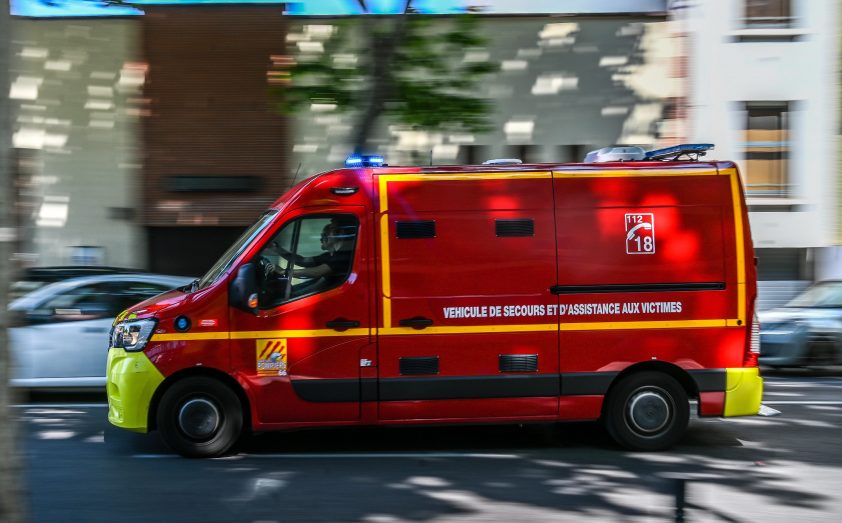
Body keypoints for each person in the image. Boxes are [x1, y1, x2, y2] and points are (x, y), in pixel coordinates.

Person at [263, 218, 356, 290]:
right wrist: (276, 248)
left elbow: (315, 272)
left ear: (340, 233)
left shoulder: (344, 256)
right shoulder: (329, 256)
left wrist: (284, 272)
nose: (321, 239)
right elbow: (303, 261)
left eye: (327, 232)